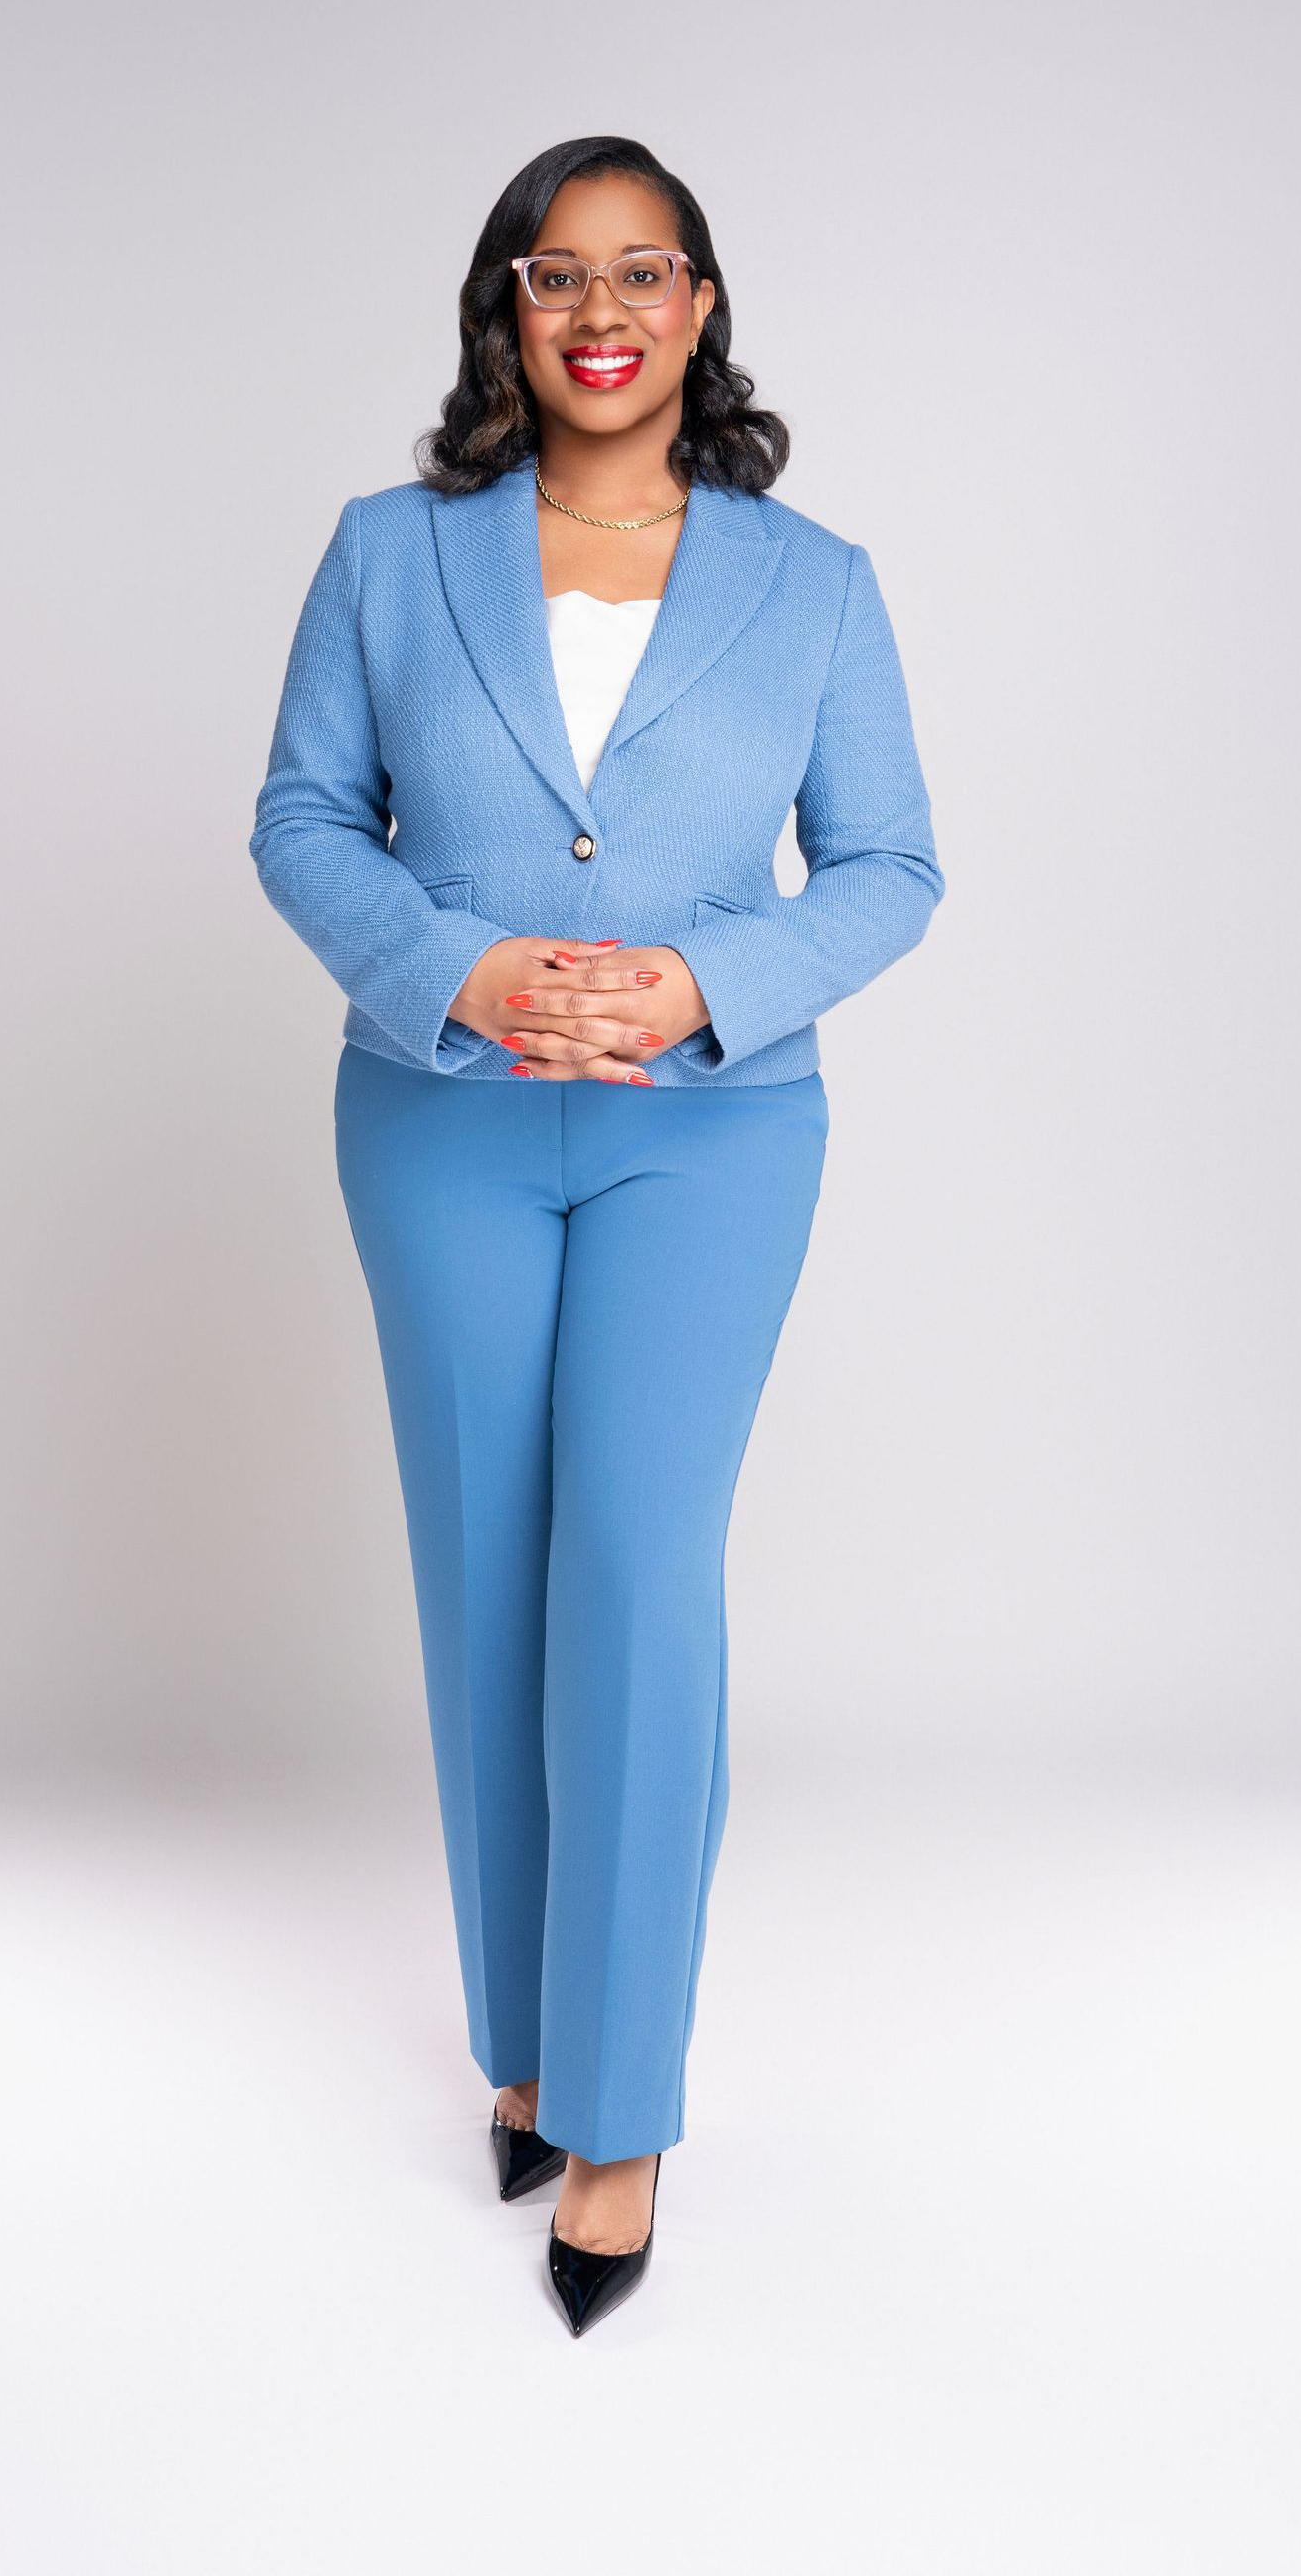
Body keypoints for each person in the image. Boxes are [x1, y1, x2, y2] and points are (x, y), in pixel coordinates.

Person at [248, 133, 943, 2335]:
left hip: (707, 1135)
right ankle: (530, 2041)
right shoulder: (389, 554)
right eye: (558, 275)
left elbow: (891, 865)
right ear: (508, 311)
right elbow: (301, 817)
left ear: (701, 304)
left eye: (644, 271)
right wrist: (456, 968)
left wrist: (702, 982)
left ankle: (620, 2108)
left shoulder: (812, 582)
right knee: (487, 1572)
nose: (603, 310)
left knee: (634, 1568)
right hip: (440, 1119)